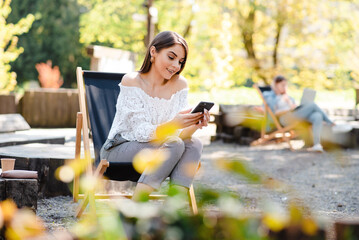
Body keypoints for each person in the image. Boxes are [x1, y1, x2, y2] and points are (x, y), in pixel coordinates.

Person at [99, 31, 210, 200]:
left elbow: (178, 136)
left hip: (163, 147)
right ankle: (136, 207)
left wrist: (193, 125)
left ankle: (173, 210)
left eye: (181, 62)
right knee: (174, 143)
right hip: (119, 149)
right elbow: (142, 133)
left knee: (194, 144)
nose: (176, 66)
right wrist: (174, 124)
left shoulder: (180, 85)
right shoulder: (132, 81)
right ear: (153, 52)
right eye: (171, 57)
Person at [263, 75, 335, 153]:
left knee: (317, 116)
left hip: (295, 115)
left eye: (286, 85)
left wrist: (291, 104)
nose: (285, 87)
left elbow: (293, 107)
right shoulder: (270, 96)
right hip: (285, 118)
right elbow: (275, 112)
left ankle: (317, 145)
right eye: (282, 85)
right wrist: (288, 107)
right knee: (312, 105)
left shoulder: (288, 97)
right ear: (276, 85)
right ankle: (330, 122)